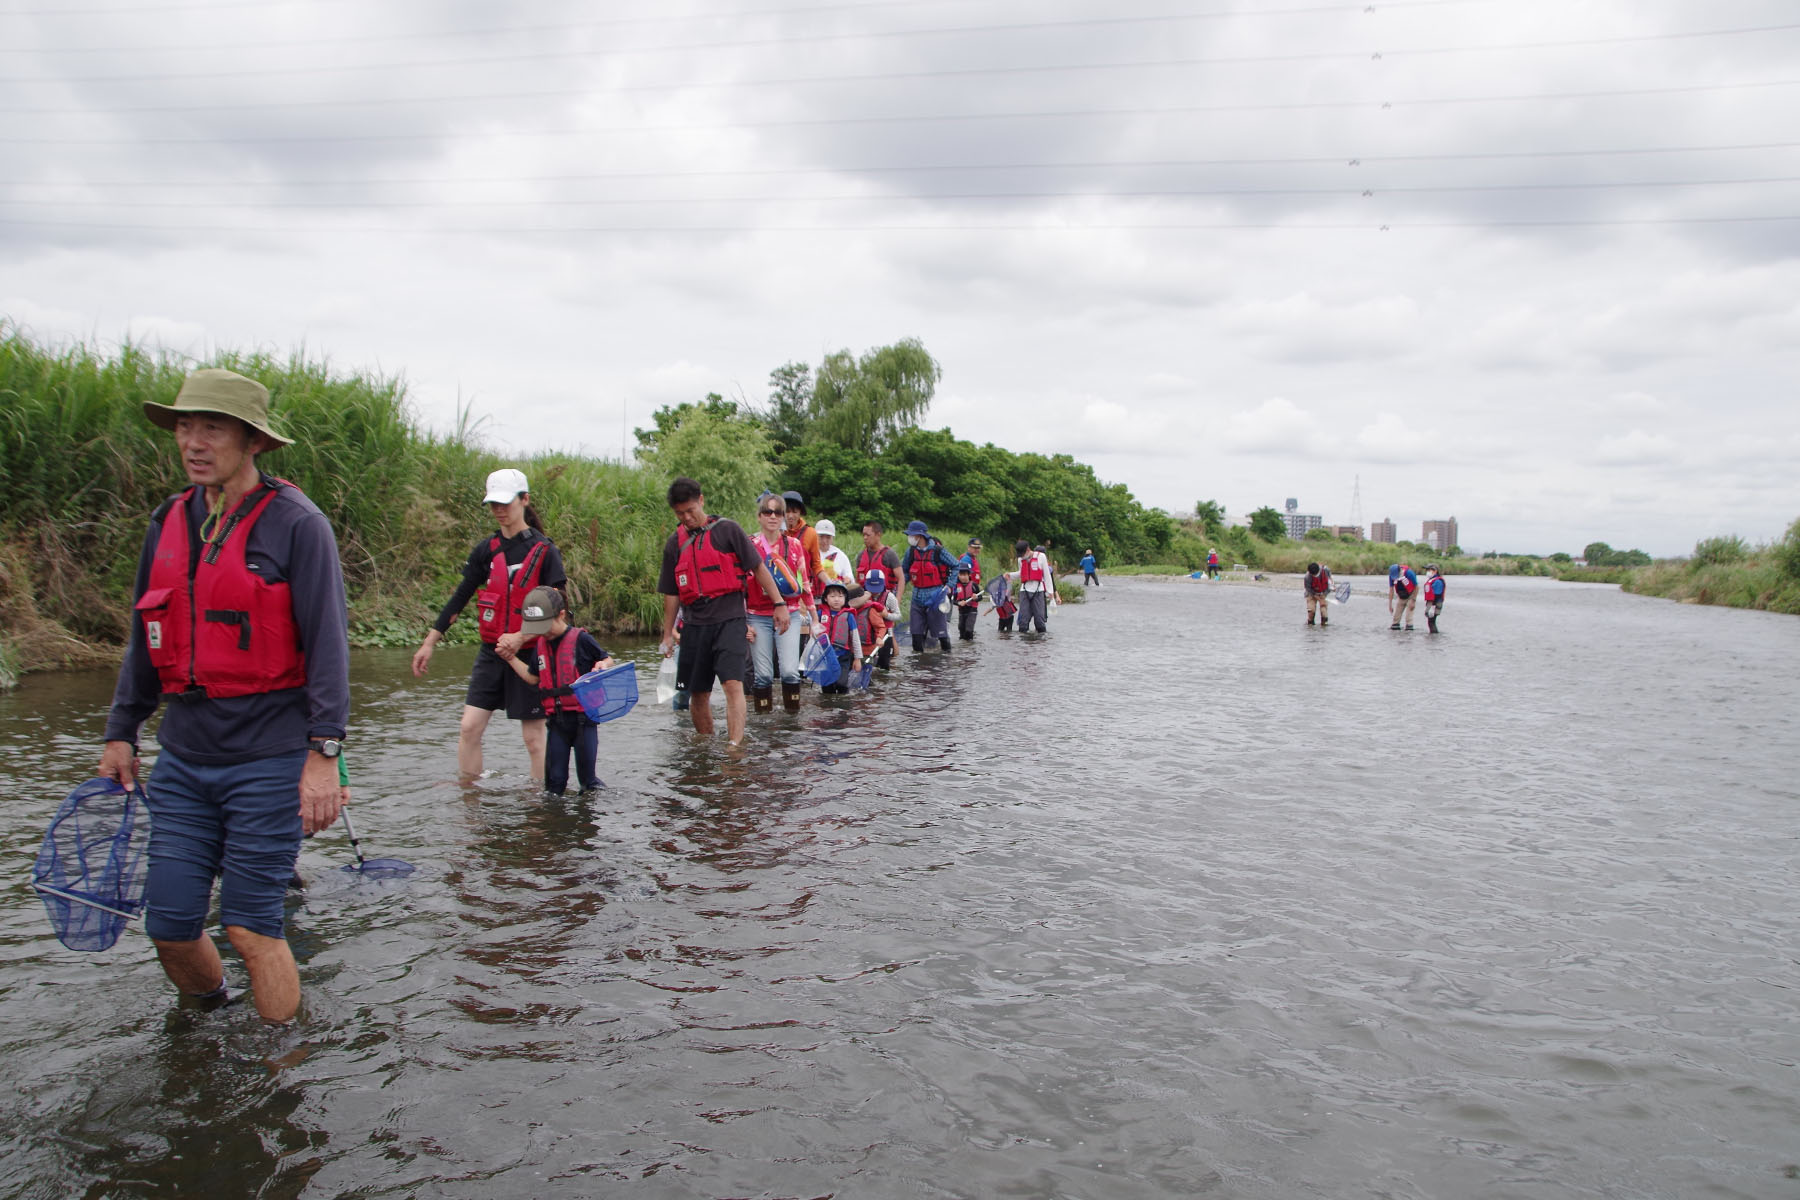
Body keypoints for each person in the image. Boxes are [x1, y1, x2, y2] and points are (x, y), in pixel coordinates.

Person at [97, 368, 348, 1023]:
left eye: (213, 426)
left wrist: (324, 754)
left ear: (253, 440)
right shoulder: (168, 520)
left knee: (249, 926)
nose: (194, 441)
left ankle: (282, 1072)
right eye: (185, 426)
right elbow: (145, 632)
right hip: (184, 755)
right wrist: (121, 728)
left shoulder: (298, 524)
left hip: (267, 757)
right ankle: (209, 1023)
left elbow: (326, 644)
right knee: (171, 924)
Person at [411, 467, 565, 781]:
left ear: (524, 500)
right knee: (469, 727)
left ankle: (540, 808)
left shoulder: (546, 551)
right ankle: (470, 802)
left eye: (505, 503)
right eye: (493, 504)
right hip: (492, 652)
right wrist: (430, 642)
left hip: (531, 655)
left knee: (533, 739)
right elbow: (460, 597)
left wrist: (521, 637)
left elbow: (557, 605)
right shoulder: (485, 551)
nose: (498, 510)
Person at [658, 477, 791, 745]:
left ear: (702, 501)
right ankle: (706, 747)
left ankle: (734, 748)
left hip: (730, 619)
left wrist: (779, 604)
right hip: (694, 624)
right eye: (679, 513)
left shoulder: (728, 530)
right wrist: (667, 635)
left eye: (690, 511)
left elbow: (758, 568)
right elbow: (671, 593)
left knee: (733, 685)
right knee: (697, 693)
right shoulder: (675, 543)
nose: (686, 517)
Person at [499, 586, 615, 795]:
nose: (542, 631)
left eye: (545, 625)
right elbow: (532, 677)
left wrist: (603, 666)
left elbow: (606, 658)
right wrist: (510, 658)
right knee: (554, 785)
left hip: (583, 721)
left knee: (588, 783)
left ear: (561, 615)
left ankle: (592, 817)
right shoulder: (541, 646)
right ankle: (554, 822)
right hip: (557, 723)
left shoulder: (581, 639)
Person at [748, 493, 814, 713]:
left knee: (789, 671)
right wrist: (742, 620)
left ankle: (792, 724)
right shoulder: (750, 545)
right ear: (759, 516)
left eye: (778, 513)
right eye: (768, 512)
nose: (773, 517)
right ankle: (763, 722)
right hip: (757, 614)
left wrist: (815, 619)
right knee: (763, 674)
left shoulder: (794, 545)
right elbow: (739, 586)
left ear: (784, 517)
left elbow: (805, 582)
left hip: (791, 613)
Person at [901, 520, 961, 652]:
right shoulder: (910, 552)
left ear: (919, 536)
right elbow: (904, 571)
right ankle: (917, 669)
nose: (909, 538)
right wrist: (899, 587)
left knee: (942, 636)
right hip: (916, 599)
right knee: (916, 637)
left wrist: (949, 586)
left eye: (911, 535)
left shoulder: (937, 551)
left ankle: (946, 662)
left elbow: (956, 565)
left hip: (935, 598)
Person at [781, 491, 824, 627]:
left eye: (794, 511)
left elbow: (816, 565)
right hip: (778, 589)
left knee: (801, 629)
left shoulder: (810, 533)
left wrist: (830, 583)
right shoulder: (776, 531)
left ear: (800, 512)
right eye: (787, 512)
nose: (790, 516)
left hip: (800, 591)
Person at [816, 581, 865, 695]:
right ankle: (829, 710)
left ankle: (843, 706)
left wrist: (857, 658)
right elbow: (813, 633)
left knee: (841, 684)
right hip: (825, 657)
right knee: (827, 689)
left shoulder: (849, 616)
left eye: (840, 596)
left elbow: (855, 639)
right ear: (826, 599)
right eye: (832, 596)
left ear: (845, 599)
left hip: (843, 657)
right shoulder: (820, 614)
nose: (836, 599)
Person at [859, 567, 901, 668]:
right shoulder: (862, 596)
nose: (874, 592)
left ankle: (883, 679)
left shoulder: (890, 597)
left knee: (884, 662)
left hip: (886, 633)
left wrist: (886, 615)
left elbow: (898, 615)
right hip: (867, 632)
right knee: (866, 659)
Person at [1011, 539, 1055, 633]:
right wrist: (1009, 575)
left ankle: (1040, 643)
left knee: (1039, 621)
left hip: (1038, 591)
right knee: (1023, 621)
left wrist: (1050, 592)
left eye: (1023, 554)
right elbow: (1021, 573)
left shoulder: (1041, 557)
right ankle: (1023, 644)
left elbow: (1047, 575)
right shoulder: (1020, 559)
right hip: (1025, 591)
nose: (1022, 556)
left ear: (1028, 549)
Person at [814, 518, 855, 598]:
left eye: (828, 537)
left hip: (834, 599)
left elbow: (850, 577)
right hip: (813, 597)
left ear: (833, 538)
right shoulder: (809, 553)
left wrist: (848, 580)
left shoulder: (841, 556)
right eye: (821, 537)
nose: (824, 541)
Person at [856, 520, 904, 589]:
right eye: (864, 535)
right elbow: (857, 581)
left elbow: (901, 579)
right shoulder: (861, 555)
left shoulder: (889, 554)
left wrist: (897, 599)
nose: (865, 538)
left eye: (868, 535)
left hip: (885, 597)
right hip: (865, 598)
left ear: (878, 535)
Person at [951, 563, 983, 640]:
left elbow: (980, 597)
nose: (963, 577)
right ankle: (964, 648)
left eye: (965, 575)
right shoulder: (956, 586)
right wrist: (958, 603)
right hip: (962, 611)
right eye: (961, 575)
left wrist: (976, 598)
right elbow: (952, 600)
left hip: (972, 610)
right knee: (961, 630)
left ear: (969, 575)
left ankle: (970, 648)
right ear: (958, 575)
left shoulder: (974, 585)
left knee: (968, 630)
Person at [1389, 562, 1419, 631]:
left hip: (1411, 594)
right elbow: (1391, 590)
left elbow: (1416, 587)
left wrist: (1413, 600)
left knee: (1409, 616)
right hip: (1401, 595)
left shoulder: (1409, 573)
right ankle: (1395, 626)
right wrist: (1390, 605)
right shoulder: (1391, 576)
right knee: (1396, 617)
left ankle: (1409, 628)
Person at [1303, 561, 1333, 625]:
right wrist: (1320, 600)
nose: (1315, 576)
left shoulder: (1326, 570)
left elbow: (1330, 581)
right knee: (1311, 610)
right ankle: (1310, 624)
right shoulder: (1307, 577)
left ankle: (1324, 625)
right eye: (1313, 575)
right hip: (1311, 593)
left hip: (1323, 592)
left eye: (1316, 574)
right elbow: (1309, 591)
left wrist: (1324, 595)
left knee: (1324, 612)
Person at [1423, 565, 1447, 634]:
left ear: (1435, 571)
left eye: (1429, 570)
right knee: (1431, 621)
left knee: (1431, 621)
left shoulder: (1438, 581)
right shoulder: (1432, 580)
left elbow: (1437, 594)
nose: (1427, 572)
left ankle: (1434, 637)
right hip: (1432, 603)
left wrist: (1432, 607)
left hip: (1435, 603)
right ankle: (1433, 637)